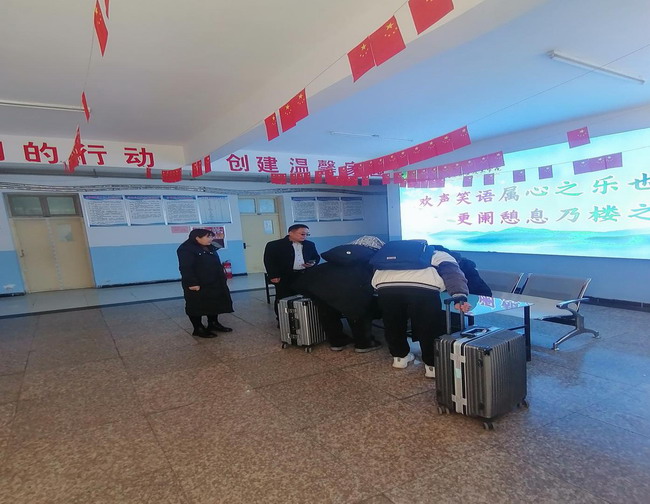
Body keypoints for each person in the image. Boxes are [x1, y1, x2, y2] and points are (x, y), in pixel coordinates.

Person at [371, 241, 471, 378]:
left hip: (385, 288)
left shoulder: (391, 256)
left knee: (393, 324)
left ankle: (399, 358)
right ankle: (432, 366)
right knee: (428, 327)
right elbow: (452, 273)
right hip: (424, 290)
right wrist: (459, 296)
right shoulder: (438, 254)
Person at [292, 235, 385, 353]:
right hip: (351, 287)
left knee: (328, 313)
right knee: (358, 313)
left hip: (318, 284)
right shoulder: (372, 255)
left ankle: (337, 342)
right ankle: (364, 344)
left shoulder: (341, 252)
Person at [177, 228, 233, 338]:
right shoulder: (186, 249)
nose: (211, 239)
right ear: (197, 238)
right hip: (198, 283)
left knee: (213, 302)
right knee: (196, 305)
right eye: (208, 237)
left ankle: (213, 323)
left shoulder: (209, 247)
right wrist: (192, 283)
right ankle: (198, 328)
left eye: (211, 236)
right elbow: (186, 268)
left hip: (213, 281)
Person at [263, 224, 320, 318]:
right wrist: (273, 275)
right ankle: (282, 319)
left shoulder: (310, 244)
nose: (305, 236)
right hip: (284, 276)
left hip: (303, 275)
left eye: (307, 234)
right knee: (283, 297)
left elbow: (316, 257)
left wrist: (312, 263)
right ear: (291, 233)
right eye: (302, 234)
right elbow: (269, 261)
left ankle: (302, 317)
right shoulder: (274, 245)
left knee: (303, 296)